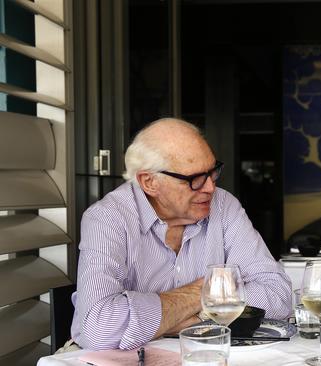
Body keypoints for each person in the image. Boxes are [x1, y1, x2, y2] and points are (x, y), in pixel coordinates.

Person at [70, 118, 292, 350]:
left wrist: (186, 321)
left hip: (209, 352)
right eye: (194, 179)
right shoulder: (107, 218)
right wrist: (205, 292)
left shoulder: (224, 206)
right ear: (150, 182)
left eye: (212, 172)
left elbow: (278, 295)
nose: (210, 188)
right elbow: (100, 330)